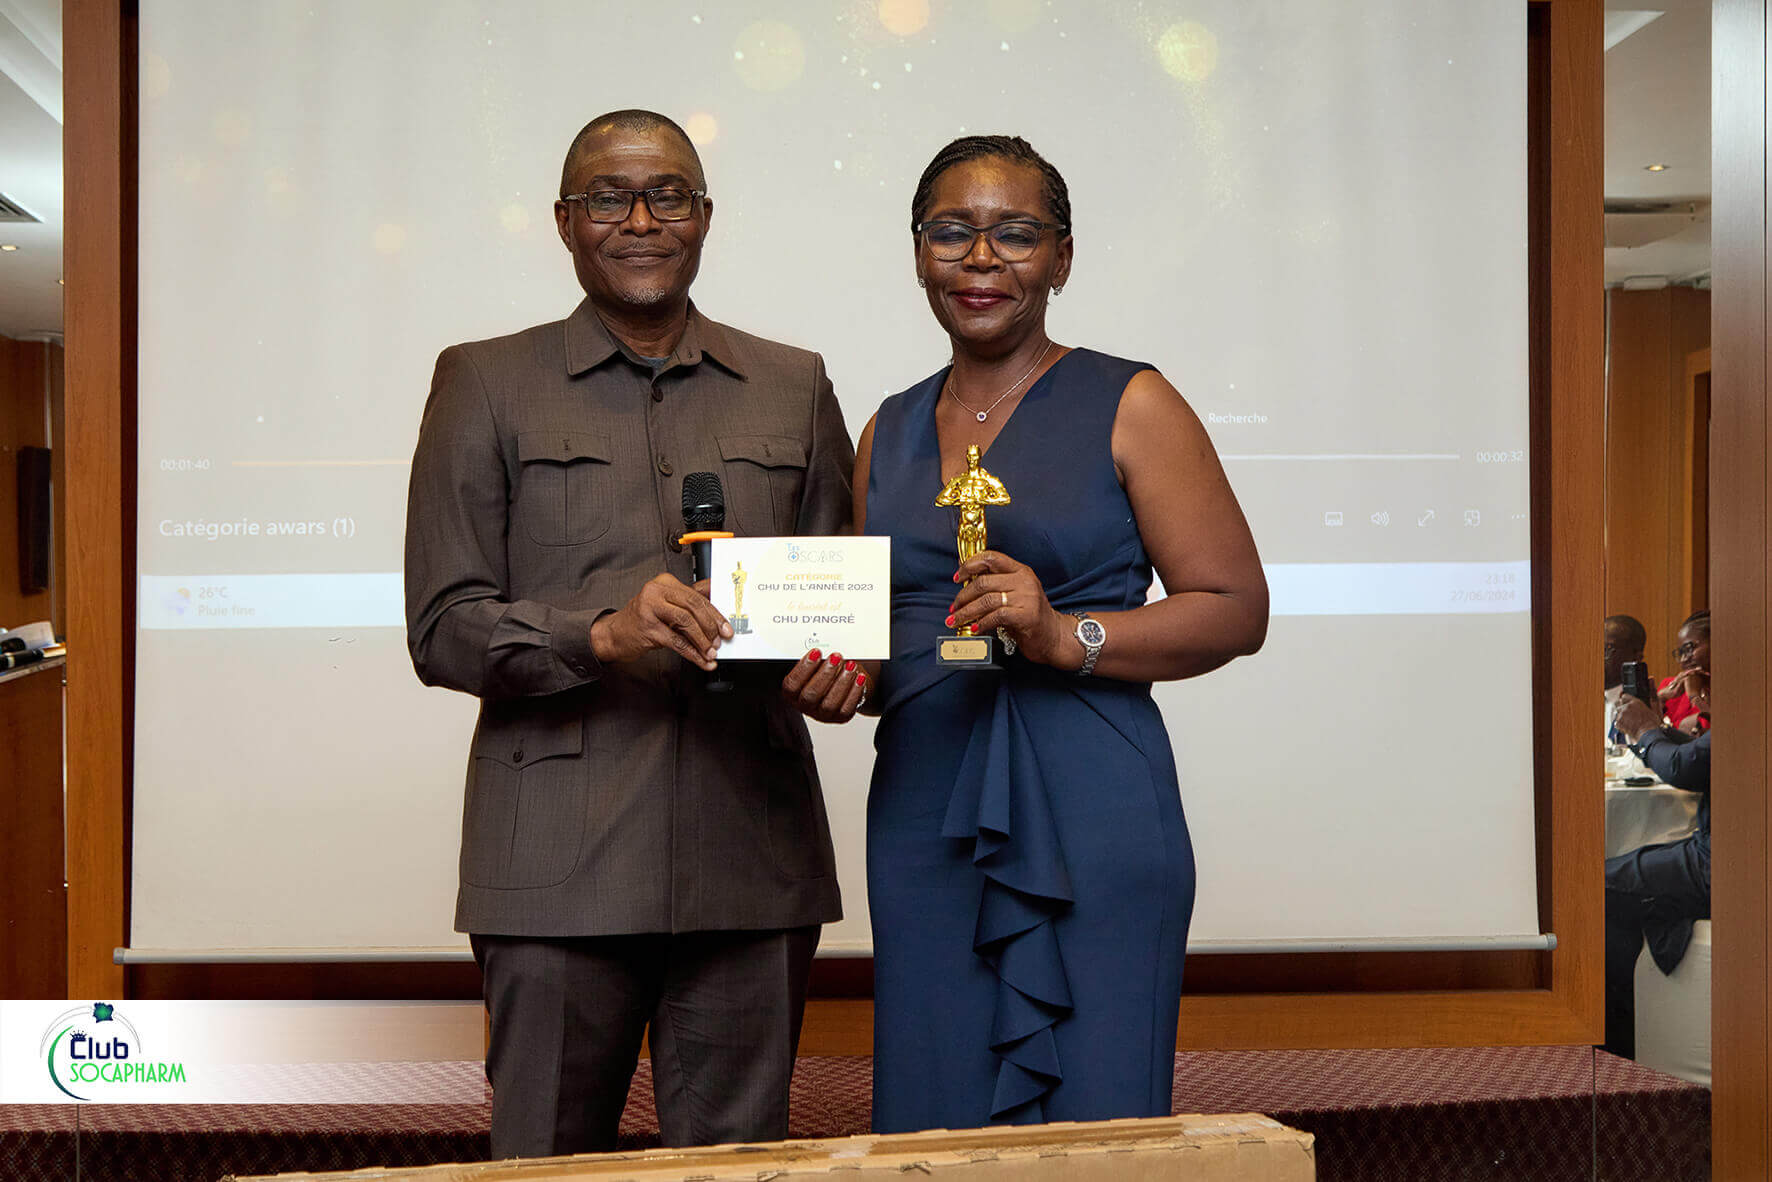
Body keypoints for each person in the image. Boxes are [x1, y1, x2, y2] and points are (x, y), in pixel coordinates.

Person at [404, 109, 863, 1158]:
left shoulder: (793, 383)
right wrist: (598, 635)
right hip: (552, 873)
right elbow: (442, 626)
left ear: (705, 216)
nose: (641, 220)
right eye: (609, 197)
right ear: (566, 221)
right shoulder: (484, 381)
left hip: (751, 860)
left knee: (739, 1171)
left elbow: (838, 603)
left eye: (668, 196)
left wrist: (843, 673)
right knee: (543, 1170)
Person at [852, 135, 1268, 1131]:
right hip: (923, 811)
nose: (980, 258)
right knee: (934, 1109)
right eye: (951, 232)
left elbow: (1234, 606)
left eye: (1015, 233)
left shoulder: (1132, 402)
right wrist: (832, 676)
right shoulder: (883, 428)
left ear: (1062, 258)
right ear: (917, 255)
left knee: (1097, 1111)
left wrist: (1064, 634)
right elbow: (873, 636)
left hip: (1092, 807)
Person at [1603, 687, 1711, 1060]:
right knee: (1623, 878)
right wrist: (1654, 731)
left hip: (1726, 864)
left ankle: (1617, 1047)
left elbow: (1685, 768)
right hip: (1721, 851)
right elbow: (1702, 756)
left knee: (1597, 891)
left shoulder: (1754, 696)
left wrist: (1646, 731)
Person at [1659, 609, 1711, 734]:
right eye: (1681, 653)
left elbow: (1704, 736)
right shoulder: (1670, 686)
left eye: (1689, 648)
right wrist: (1660, 698)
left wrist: (1694, 696)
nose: (1684, 659)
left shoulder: (1732, 691)